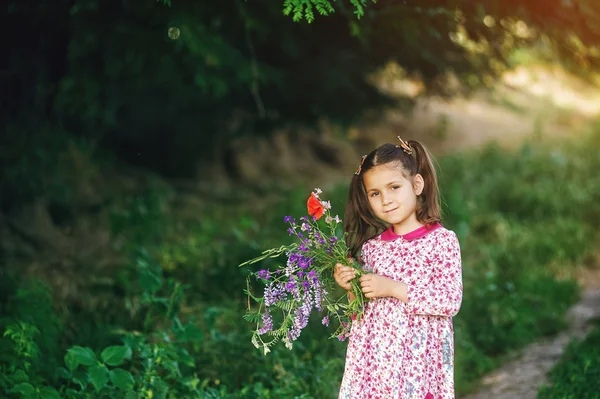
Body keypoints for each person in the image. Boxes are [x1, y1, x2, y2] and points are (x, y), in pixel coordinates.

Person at [333, 137, 463, 399]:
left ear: (416, 184)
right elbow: (361, 312)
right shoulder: (371, 248)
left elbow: (450, 300)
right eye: (375, 193)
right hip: (376, 365)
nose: (386, 200)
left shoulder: (441, 241)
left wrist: (393, 288)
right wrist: (351, 287)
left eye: (394, 187)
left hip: (418, 363)